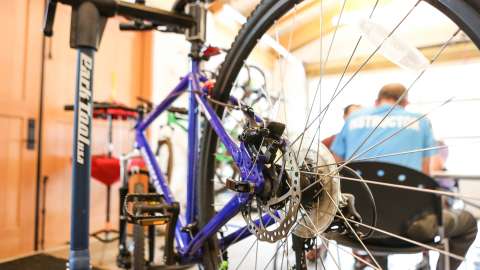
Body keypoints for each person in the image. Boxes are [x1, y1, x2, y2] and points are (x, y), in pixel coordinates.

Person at [330, 83, 477, 270]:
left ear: (376, 101)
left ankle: (379, 264)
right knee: (469, 223)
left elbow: (336, 170)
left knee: (372, 207)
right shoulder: (420, 121)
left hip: (357, 225)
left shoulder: (352, 120)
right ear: (405, 102)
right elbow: (425, 176)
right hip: (410, 229)